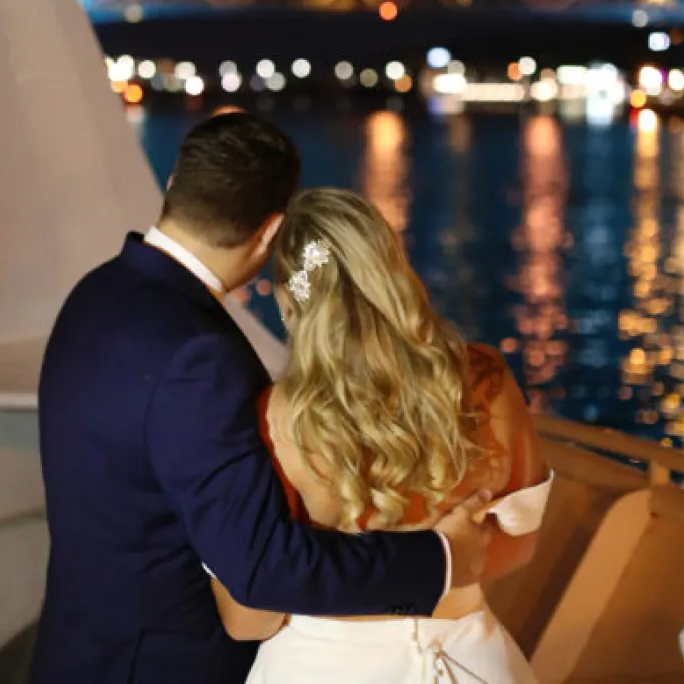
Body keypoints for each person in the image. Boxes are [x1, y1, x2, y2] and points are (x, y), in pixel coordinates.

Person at [29, 114, 494, 684]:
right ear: (272, 232)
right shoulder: (198, 355)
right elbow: (259, 567)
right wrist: (441, 560)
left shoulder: (94, 293)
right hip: (161, 667)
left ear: (175, 182)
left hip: (77, 647)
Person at [210, 188, 553, 683]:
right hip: (466, 659)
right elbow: (518, 546)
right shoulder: (486, 378)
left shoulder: (278, 418)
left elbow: (248, 618)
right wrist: (444, 565)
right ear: (394, 271)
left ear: (290, 302)